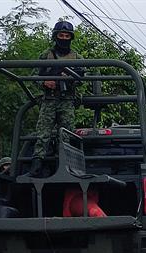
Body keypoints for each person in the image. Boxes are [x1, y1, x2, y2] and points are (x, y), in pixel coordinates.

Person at [30, 21, 84, 177]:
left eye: (67, 36)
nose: (64, 38)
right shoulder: (46, 55)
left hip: (67, 100)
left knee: (66, 133)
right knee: (42, 133)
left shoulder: (77, 57)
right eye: (61, 35)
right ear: (56, 36)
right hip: (49, 99)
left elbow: (82, 78)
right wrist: (45, 82)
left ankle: (66, 164)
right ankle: (37, 163)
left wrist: (70, 78)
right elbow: (34, 75)